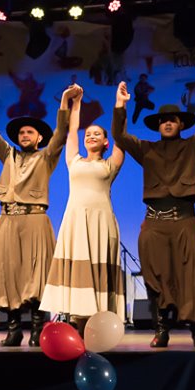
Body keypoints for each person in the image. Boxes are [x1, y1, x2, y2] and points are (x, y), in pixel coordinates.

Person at [113, 65, 195, 348]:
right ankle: (162, 329)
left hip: (184, 221)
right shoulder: (147, 150)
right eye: (163, 121)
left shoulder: (191, 146)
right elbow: (120, 136)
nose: (168, 123)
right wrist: (120, 105)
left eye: (173, 120)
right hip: (155, 223)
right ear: (158, 126)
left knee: (190, 275)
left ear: (181, 124)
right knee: (156, 277)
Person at [0, 84, 72, 347]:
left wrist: (64, 102)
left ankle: (36, 330)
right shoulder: (9, 154)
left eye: (29, 132)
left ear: (39, 138)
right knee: (8, 273)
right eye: (21, 132)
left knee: (36, 274)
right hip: (7, 220)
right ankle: (13, 330)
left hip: (35, 219)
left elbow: (61, 134)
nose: (24, 135)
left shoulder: (46, 157)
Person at [40, 85, 126, 334]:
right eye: (88, 133)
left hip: (101, 223)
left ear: (106, 142)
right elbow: (71, 131)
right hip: (76, 222)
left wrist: (120, 104)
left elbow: (121, 136)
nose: (91, 136)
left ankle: (98, 329)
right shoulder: (74, 160)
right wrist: (74, 104)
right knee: (79, 273)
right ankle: (78, 328)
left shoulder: (110, 164)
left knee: (98, 272)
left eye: (97, 134)